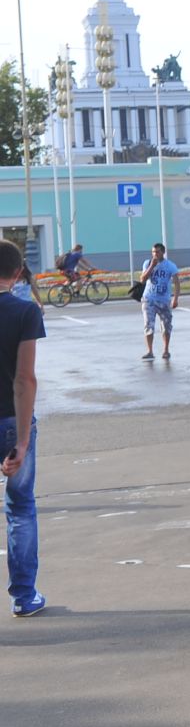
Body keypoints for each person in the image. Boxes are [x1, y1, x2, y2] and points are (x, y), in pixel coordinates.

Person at [0, 239, 45, 617]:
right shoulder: (25, 312)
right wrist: (24, 440)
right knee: (19, 507)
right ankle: (24, 595)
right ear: (17, 274)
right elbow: (24, 380)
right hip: (12, 422)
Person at [138, 241, 181, 361]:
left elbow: (176, 282)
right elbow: (142, 279)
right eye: (153, 252)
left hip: (164, 300)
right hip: (149, 299)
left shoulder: (170, 265)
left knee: (166, 326)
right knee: (148, 325)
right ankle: (150, 351)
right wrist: (152, 266)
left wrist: (175, 298)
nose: (155, 254)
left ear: (163, 252)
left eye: (157, 252)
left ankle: (166, 350)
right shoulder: (147, 263)